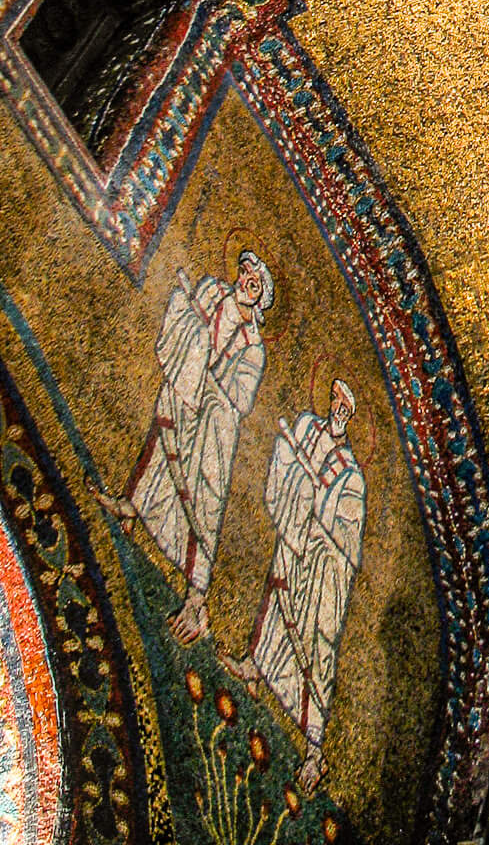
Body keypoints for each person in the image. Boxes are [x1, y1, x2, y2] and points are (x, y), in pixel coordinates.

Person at [96, 249, 274, 642]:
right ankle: (132, 506)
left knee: (203, 500)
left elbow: (240, 399)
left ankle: (197, 595)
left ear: (261, 299)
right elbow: (186, 319)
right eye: (245, 274)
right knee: (161, 449)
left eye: (255, 283)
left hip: (213, 424)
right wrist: (189, 322)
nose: (246, 282)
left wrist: (205, 377)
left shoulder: (255, 346)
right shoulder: (212, 293)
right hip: (186, 395)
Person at [229, 379, 366, 794]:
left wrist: (322, 509)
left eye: (346, 407)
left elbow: (348, 538)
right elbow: (284, 462)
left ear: (352, 416)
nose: (338, 410)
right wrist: (297, 485)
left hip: (321, 570)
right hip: (294, 541)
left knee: (316, 649)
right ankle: (255, 666)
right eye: (336, 401)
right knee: (275, 604)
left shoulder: (353, 476)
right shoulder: (306, 427)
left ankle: (314, 749)